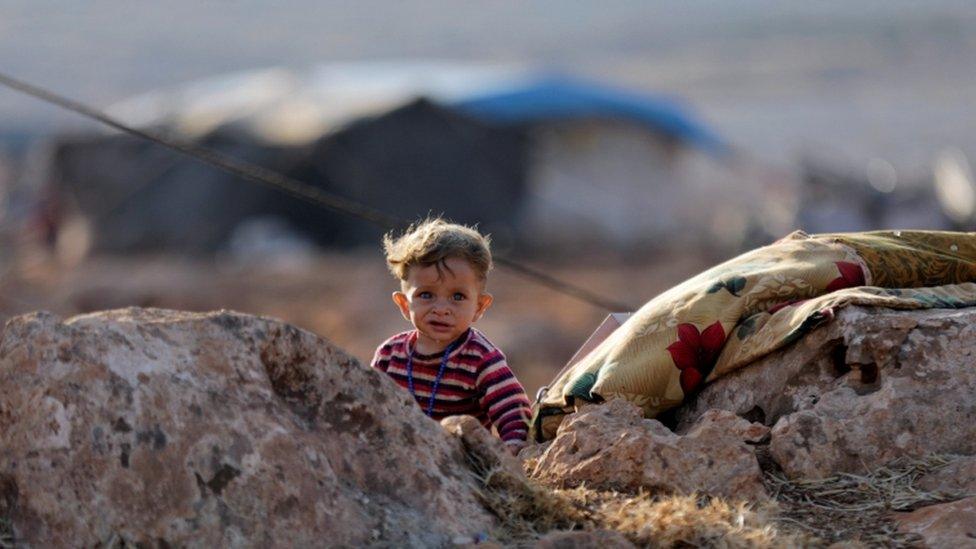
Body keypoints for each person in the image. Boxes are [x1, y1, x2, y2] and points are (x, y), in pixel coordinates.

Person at [371, 218, 531, 452]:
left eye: (457, 297)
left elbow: (513, 412)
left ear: (479, 307)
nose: (441, 308)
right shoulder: (389, 355)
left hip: (461, 471)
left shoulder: (481, 358)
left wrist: (513, 450)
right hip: (400, 458)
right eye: (426, 295)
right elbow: (371, 405)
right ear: (405, 304)